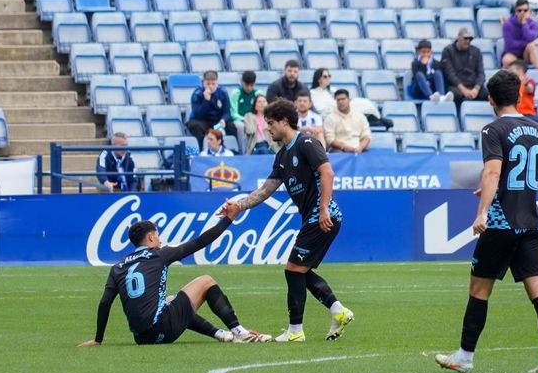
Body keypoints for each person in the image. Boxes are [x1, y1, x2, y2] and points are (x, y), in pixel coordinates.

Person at [434, 69, 538, 373]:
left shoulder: (492, 130)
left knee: (479, 290)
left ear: (490, 99)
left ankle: (464, 357)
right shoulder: (534, 128)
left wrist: (481, 212)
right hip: (532, 222)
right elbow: (516, 171)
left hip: (501, 222)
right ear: (518, 96)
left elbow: (493, 172)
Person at [222, 99, 354, 343]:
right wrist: (239, 206)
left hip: (322, 216)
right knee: (299, 271)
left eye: (270, 123)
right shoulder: (282, 156)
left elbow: (328, 172)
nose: (267, 128)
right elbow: (264, 192)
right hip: (315, 218)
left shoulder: (306, 142)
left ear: (284, 121)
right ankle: (338, 311)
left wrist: (323, 208)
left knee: (293, 269)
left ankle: (296, 331)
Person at [85, 211, 266, 347]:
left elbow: (104, 303)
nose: (160, 240)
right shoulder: (158, 255)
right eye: (157, 235)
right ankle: (239, 332)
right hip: (162, 330)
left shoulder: (118, 267)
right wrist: (228, 219)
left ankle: (221, 334)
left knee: (172, 301)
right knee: (206, 280)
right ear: (150, 237)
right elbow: (199, 242)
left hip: (141, 338)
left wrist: (98, 339)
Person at [440, 26, 487, 107]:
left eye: (470, 39)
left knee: (490, 95)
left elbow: (481, 73)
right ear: (459, 36)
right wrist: (463, 89)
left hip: (473, 86)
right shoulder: (448, 51)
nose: (468, 41)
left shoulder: (476, 51)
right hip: (456, 86)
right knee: (454, 95)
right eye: (465, 38)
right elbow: (449, 74)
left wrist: (476, 88)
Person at [324, 89, 371, 154]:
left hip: (359, 149)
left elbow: (366, 136)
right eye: (338, 100)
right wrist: (343, 147)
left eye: (343, 99)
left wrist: (360, 147)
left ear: (349, 99)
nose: (340, 102)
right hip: (339, 150)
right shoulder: (330, 118)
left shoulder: (360, 116)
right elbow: (330, 139)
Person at [501, 0, 538, 69]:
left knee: (531, 47)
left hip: (527, 54)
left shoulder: (534, 24)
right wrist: (528, 43)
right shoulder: (507, 24)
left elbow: (530, 38)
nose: (522, 13)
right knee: (506, 59)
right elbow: (510, 45)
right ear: (515, 11)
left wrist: (524, 23)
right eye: (519, 10)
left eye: (525, 10)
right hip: (513, 53)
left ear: (529, 11)